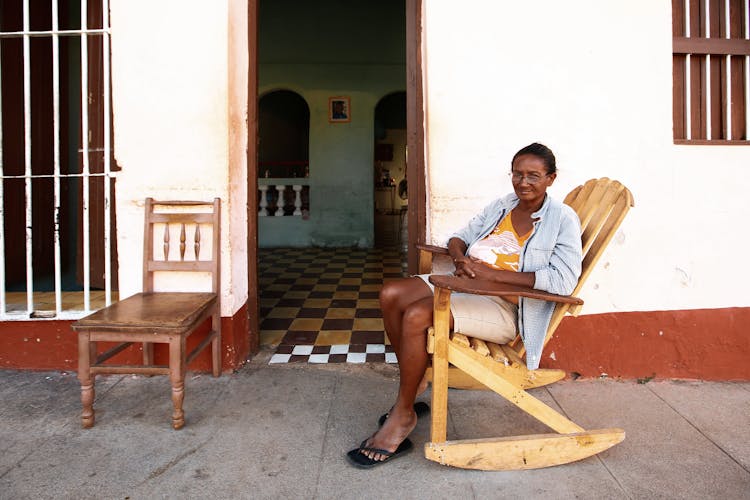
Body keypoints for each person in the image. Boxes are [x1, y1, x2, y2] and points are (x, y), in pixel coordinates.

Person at [345, 142, 582, 469]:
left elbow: (562, 281)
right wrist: (460, 259)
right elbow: (459, 238)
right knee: (390, 294)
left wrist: (493, 274)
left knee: (416, 315)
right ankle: (417, 381)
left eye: (534, 176)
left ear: (551, 178)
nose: (523, 182)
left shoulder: (562, 219)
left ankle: (402, 415)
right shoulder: (503, 206)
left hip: (504, 308)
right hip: (468, 285)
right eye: (517, 174)